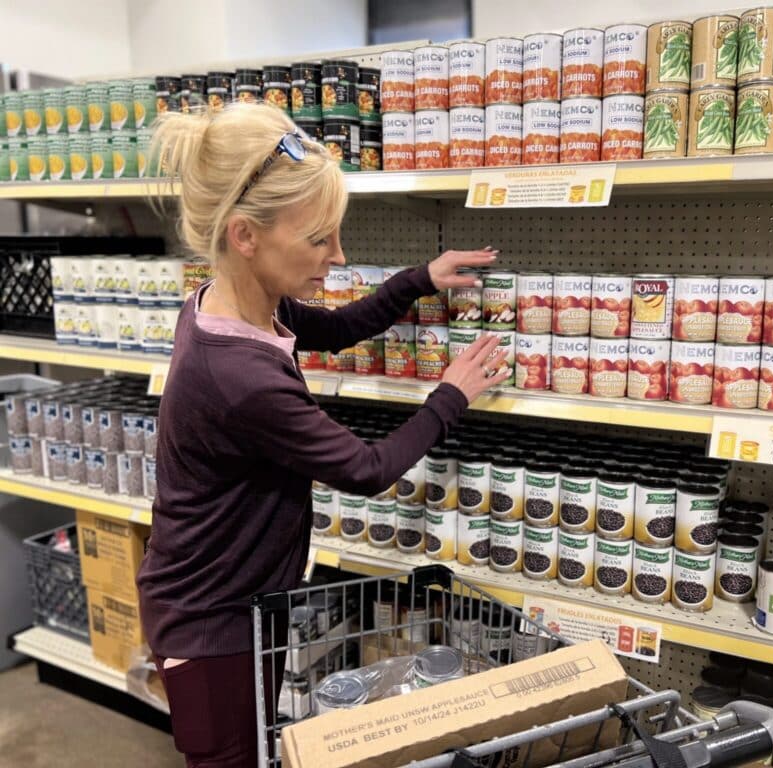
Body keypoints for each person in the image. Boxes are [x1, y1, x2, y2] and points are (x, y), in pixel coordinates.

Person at [135, 102, 509, 768]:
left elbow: (333, 331)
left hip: (233, 599)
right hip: (211, 625)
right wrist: (452, 394)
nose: (337, 257)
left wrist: (417, 280)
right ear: (246, 235)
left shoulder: (227, 304)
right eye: (318, 240)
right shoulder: (238, 375)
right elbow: (365, 469)